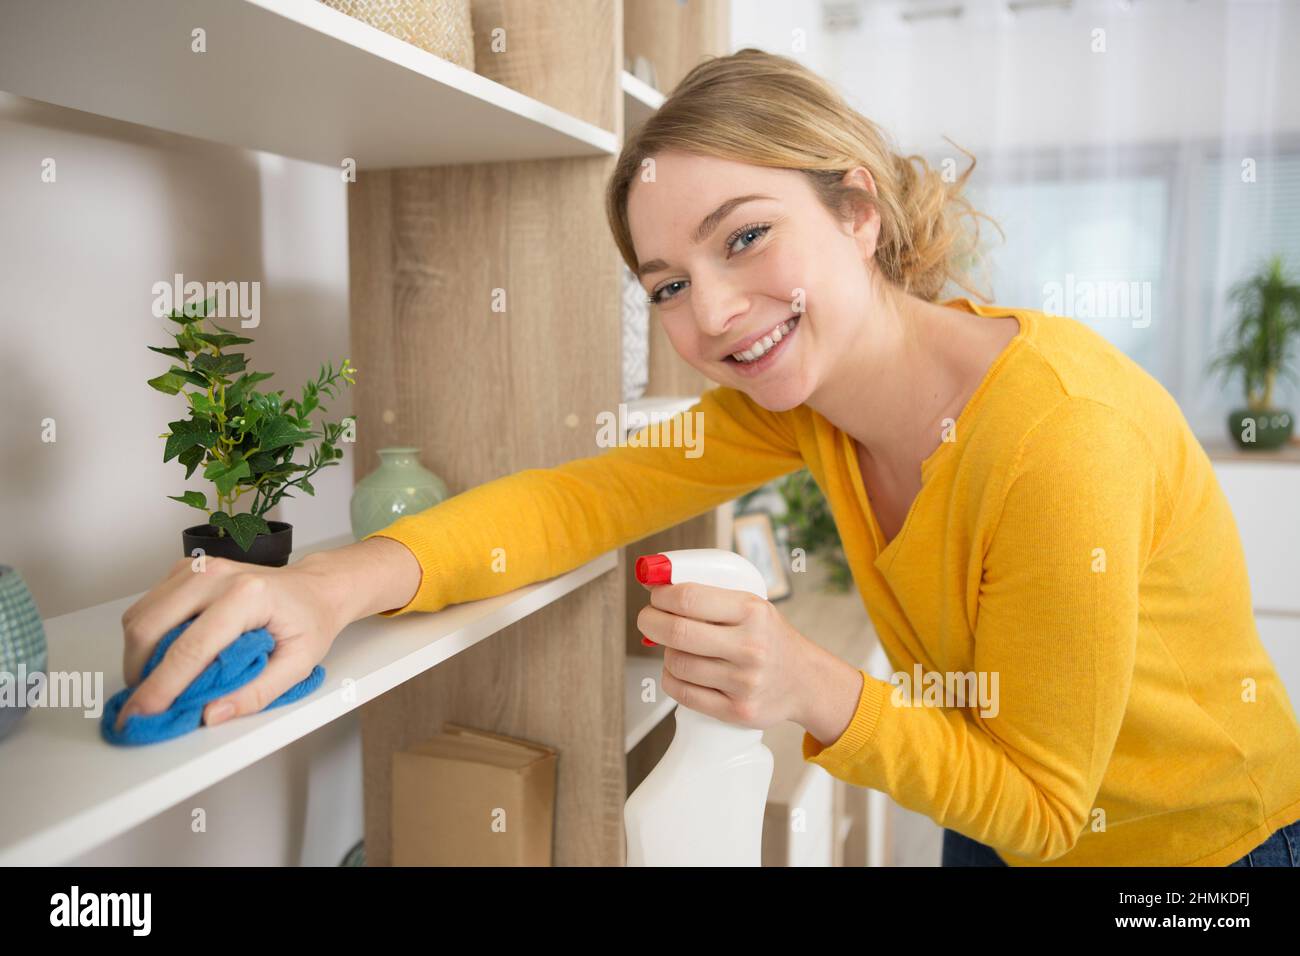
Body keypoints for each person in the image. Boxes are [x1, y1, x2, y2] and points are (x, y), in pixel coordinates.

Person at [117, 48, 1300, 867]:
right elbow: (586, 497)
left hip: (1196, 853)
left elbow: (1048, 805)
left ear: (855, 209)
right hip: (994, 818)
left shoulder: (1057, 436)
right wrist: (333, 581)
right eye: (669, 284)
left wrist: (808, 686)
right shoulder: (809, 402)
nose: (716, 313)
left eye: (745, 236)